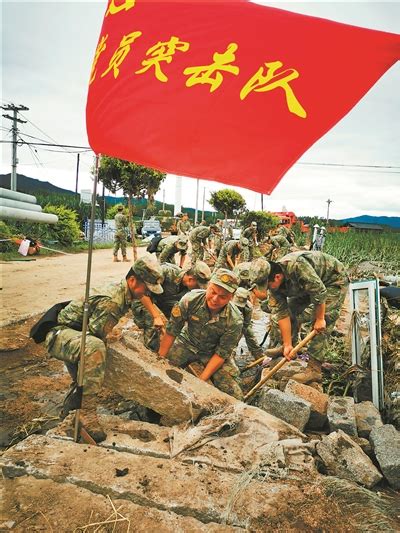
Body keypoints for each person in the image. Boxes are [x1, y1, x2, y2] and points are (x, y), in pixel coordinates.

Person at [44, 255, 164, 442]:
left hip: (75, 334)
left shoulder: (125, 293)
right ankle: (87, 414)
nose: (147, 293)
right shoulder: (113, 301)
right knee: (96, 349)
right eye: (146, 288)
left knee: (81, 379)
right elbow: (96, 336)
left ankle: (67, 418)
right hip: (60, 334)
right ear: (132, 280)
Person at [158, 269, 244, 399]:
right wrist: (160, 360)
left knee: (236, 395)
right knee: (160, 373)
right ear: (208, 286)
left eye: (223, 297)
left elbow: (221, 354)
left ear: (231, 297)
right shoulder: (190, 300)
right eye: (213, 292)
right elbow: (172, 331)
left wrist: (201, 381)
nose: (215, 299)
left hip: (212, 352)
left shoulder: (235, 320)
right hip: (186, 342)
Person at [249, 251, 349, 363]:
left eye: (267, 286)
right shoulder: (274, 287)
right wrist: (287, 344)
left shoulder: (297, 266)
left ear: (277, 277)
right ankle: (291, 347)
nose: (267, 289)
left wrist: (320, 319)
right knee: (291, 311)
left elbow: (319, 291)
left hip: (333, 280)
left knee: (323, 319)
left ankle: (314, 367)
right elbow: (282, 314)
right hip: (307, 286)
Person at [131, 261, 211, 351]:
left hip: (161, 301)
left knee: (176, 324)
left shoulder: (188, 289)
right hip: (142, 298)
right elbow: (140, 292)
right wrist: (156, 316)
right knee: (153, 323)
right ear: (191, 279)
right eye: (198, 286)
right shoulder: (166, 272)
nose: (199, 289)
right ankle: (150, 352)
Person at [232, 287, 263, 359]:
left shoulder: (248, 308)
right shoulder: (227, 302)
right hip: (227, 323)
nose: (239, 307)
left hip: (242, 323)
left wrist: (236, 339)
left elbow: (245, 325)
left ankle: (259, 357)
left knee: (250, 335)